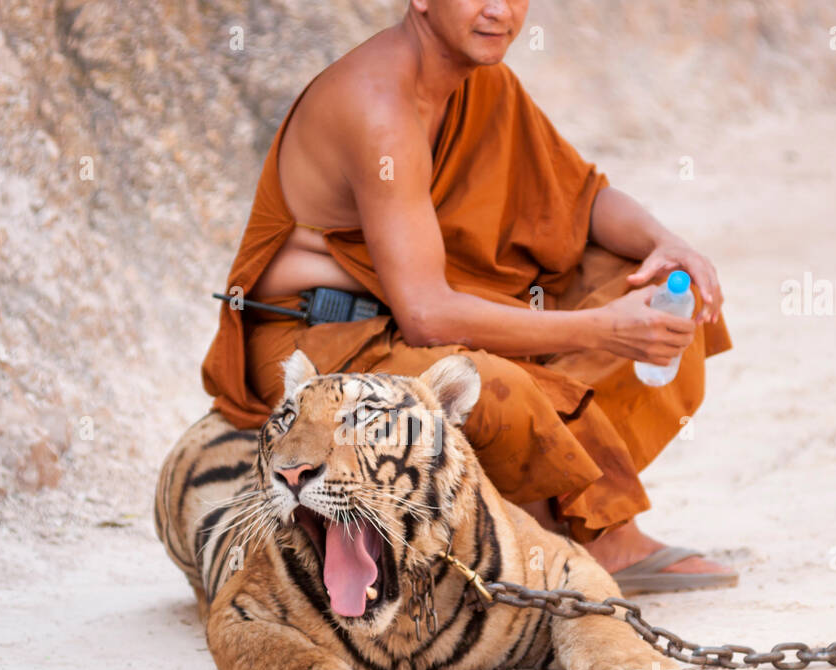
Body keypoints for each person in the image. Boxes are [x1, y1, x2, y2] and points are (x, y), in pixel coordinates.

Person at [201, 0, 736, 593]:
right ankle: (584, 536)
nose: (499, 10)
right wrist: (604, 329)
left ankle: (558, 520)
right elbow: (427, 315)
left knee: (659, 293)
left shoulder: (485, 83)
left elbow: (581, 201)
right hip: (326, 338)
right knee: (497, 392)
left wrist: (667, 243)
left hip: (427, 311)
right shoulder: (378, 108)